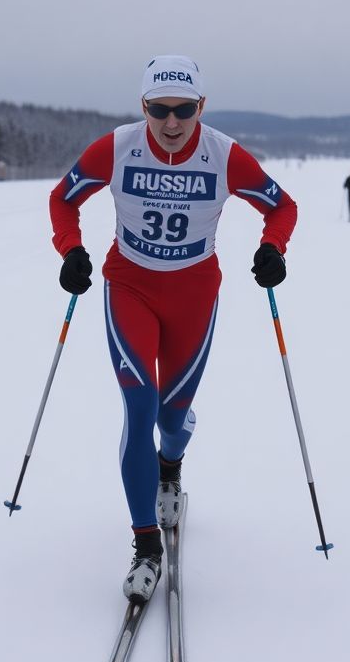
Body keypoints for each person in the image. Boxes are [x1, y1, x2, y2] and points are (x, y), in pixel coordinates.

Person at [49, 55, 298, 603]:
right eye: (159, 109)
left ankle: (170, 468)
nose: (171, 122)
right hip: (130, 288)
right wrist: (71, 251)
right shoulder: (116, 148)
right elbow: (63, 199)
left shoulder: (224, 155)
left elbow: (282, 208)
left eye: (184, 110)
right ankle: (145, 547)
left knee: (171, 416)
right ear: (143, 107)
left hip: (194, 296)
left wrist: (273, 249)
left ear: (201, 107)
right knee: (140, 406)